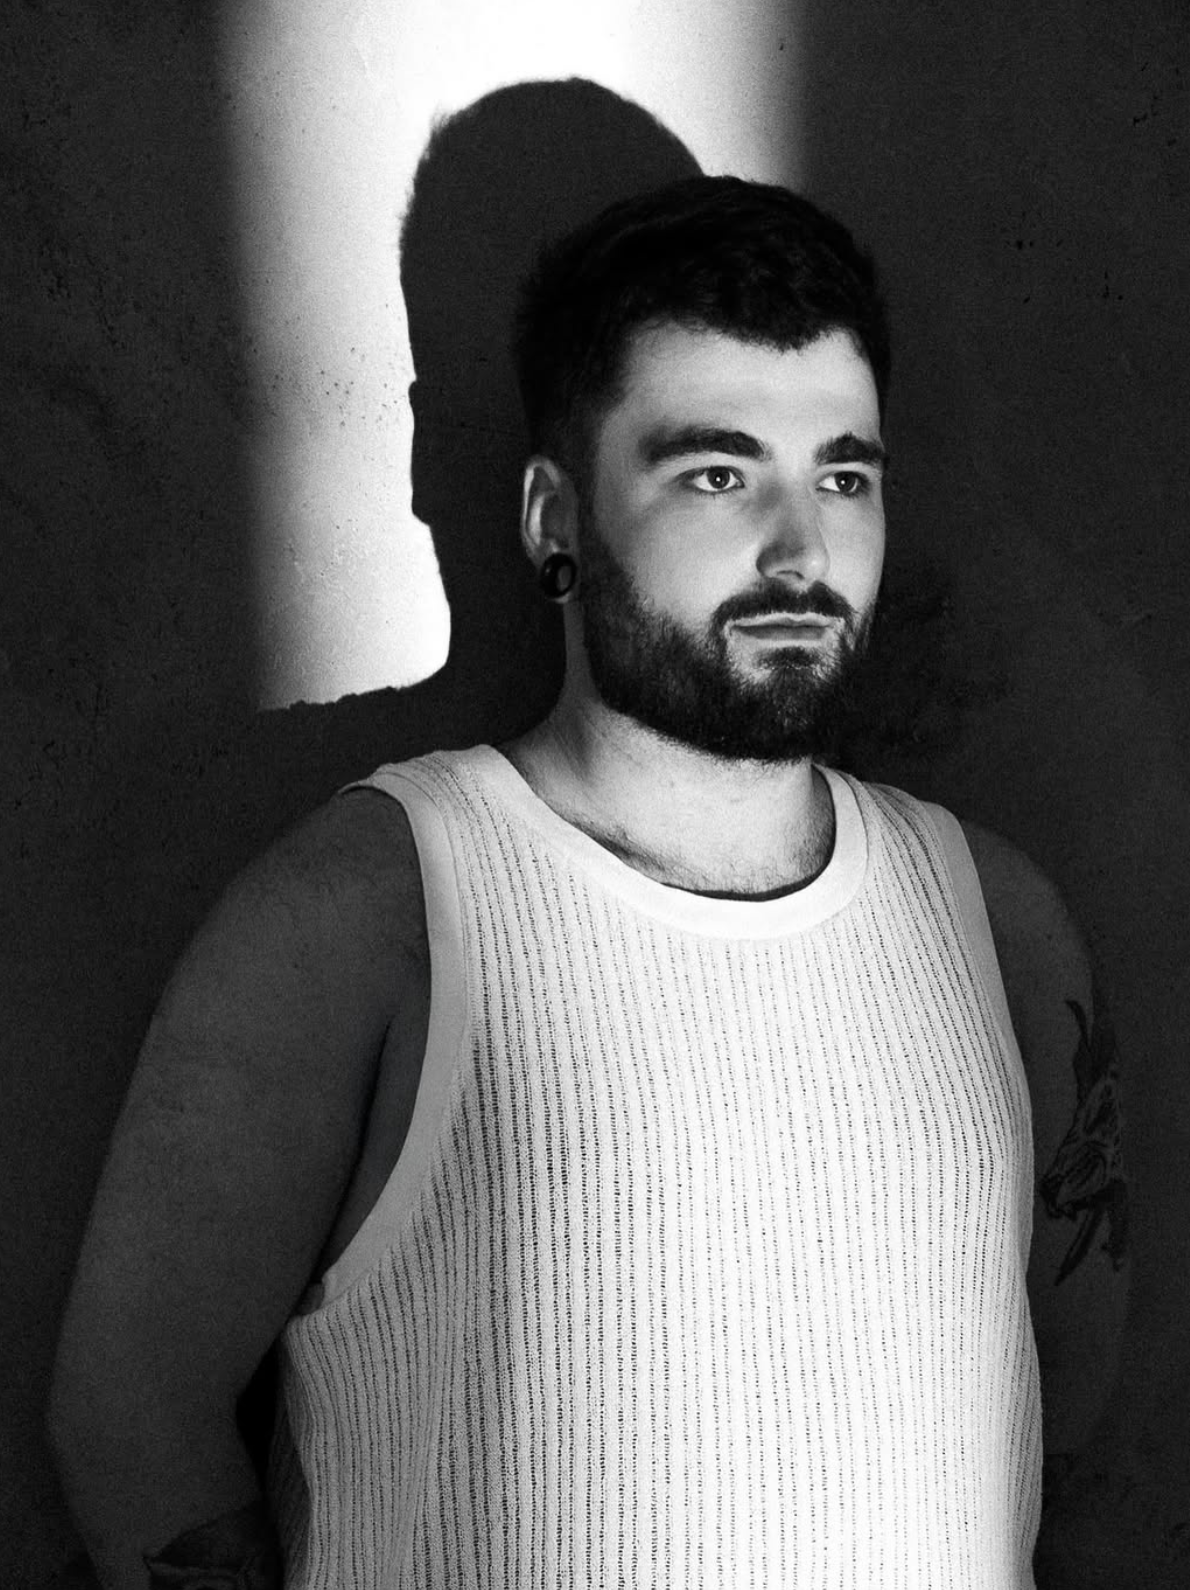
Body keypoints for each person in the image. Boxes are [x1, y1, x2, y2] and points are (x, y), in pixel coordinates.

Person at [49, 176, 1128, 1589]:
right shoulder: (370, 909)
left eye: (842, 474)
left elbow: (1059, 1407)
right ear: (554, 514)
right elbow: (132, 1423)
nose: (801, 550)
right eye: (717, 472)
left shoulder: (994, 916)